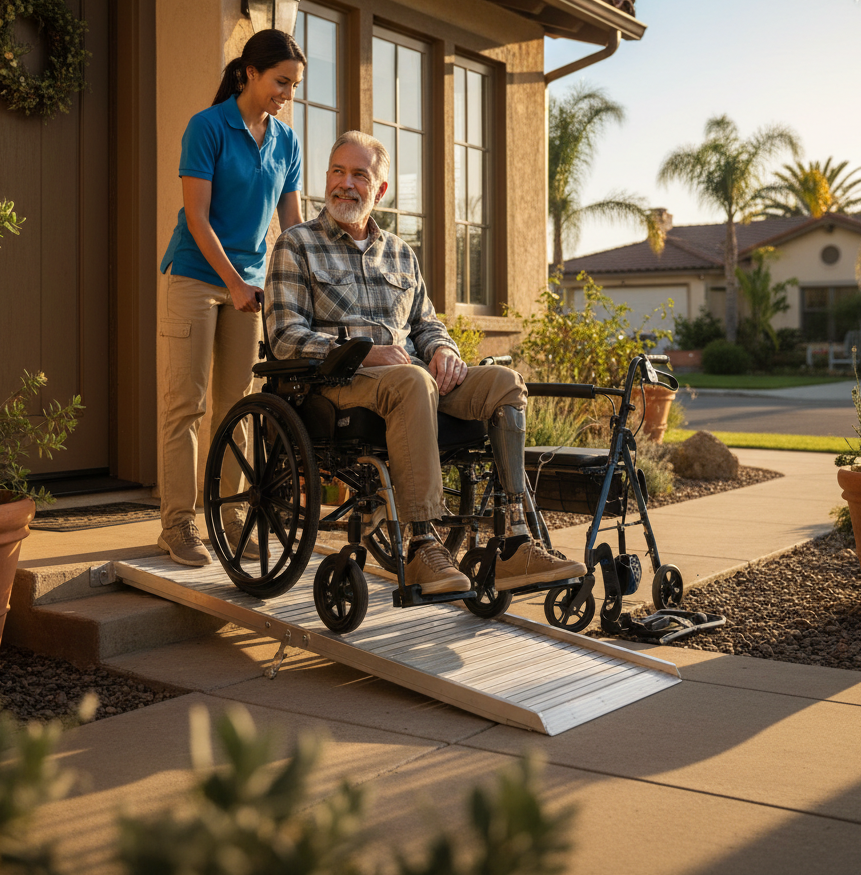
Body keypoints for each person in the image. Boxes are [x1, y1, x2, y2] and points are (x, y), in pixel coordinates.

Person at [264, 131, 587, 595]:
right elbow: (285, 337)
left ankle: (516, 540)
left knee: (504, 382)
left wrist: (444, 352)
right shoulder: (297, 245)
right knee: (413, 382)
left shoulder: (400, 253)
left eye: (359, 174)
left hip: (416, 381)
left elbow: (426, 323)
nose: (345, 184)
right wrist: (367, 352)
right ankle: (420, 546)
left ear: (380, 190)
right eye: (338, 171)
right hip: (338, 384)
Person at [157, 30, 307, 566]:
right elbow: (196, 217)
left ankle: (233, 511)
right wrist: (236, 283)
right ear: (249, 73)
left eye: (293, 85)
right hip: (195, 278)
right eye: (281, 82)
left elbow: (290, 229)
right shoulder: (208, 127)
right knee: (185, 406)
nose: (287, 93)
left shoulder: (285, 142)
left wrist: (301, 283)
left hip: (250, 287)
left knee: (239, 407)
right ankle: (177, 525)